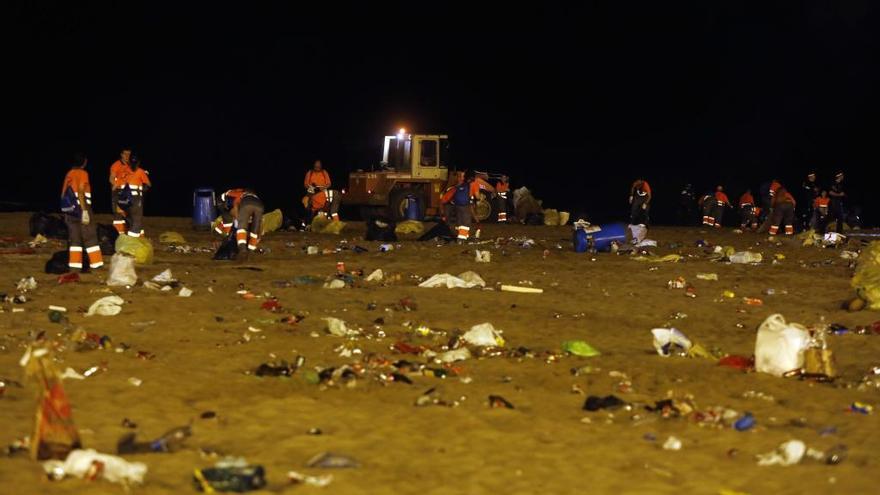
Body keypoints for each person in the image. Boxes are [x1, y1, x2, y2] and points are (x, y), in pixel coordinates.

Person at [61, 153, 104, 271]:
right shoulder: (83, 173)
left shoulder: (69, 174)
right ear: (84, 163)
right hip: (81, 207)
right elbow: (80, 192)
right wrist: (84, 210)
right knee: (90, 236)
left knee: (74, 238)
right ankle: (96, 264)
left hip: (70, 210)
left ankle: (75, 266)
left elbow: (63, 194)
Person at [122, 155, 151, 238]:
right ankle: (132, 240)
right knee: (137, 219)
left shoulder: (125, 170)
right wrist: (142, 191)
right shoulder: (140, 171)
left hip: (124, 198)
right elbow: (148, 184)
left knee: (129, 218)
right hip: (135, 198)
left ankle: (136, 237)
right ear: (138, 163)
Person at [109, 147, 132, 233]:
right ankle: (118, 234)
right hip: (118, 192)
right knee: (118, 215)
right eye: (125, 154)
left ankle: (128, 234)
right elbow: (111, 178)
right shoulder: (116, 165)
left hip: (129, 193)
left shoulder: (131, 165)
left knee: (128, 214)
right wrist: (115, 184)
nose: (127, 156)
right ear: (121, 155)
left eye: (129, 154)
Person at [235, 189, 264, 256]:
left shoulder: (241, 195)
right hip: (260, 206)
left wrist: (238, 219)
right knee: (255, 229)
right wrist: (259, 236)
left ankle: (242, 249)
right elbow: (261, 222)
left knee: (242, 227)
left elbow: (236, 206)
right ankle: (251, 249)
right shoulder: (256, 197)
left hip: (246, 205)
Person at [452, 171, 476, 241]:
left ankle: (462, 236)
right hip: (465, 205)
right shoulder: (469, 185)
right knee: (466, 222)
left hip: (457, 205)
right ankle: (461, 239)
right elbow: (470, 195)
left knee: (460, 220)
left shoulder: (458, 185)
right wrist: (472, 202)